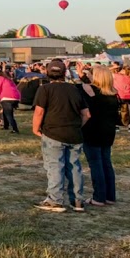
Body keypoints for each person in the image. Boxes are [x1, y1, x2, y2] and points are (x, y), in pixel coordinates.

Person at [31, 59, 90, 213]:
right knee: (74, 167)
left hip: (53, 133)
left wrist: (35, 128)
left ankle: (55, 200)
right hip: (74, 134)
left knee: (55, 166)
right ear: (64, 73)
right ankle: (77, 201)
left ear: (47, 72)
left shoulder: (45, 89)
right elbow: (86, 114)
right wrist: (77, 126)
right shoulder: (75, 89)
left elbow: (39, 111)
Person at [78, 65, 120, 207]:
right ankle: (110, 196)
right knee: (106, 163)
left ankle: (99, 197)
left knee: (96, 164)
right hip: (108, 131)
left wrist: (81, 76)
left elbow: (80, 87)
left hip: (92, 130)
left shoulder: (89, 90)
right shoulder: (113, 92)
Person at [0, 68, 22, 134]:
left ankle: (15, 129)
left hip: (7, 97)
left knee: (9, 114)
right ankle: (6, 126)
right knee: (6, 112)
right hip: (16, 97)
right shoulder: (8, 79)